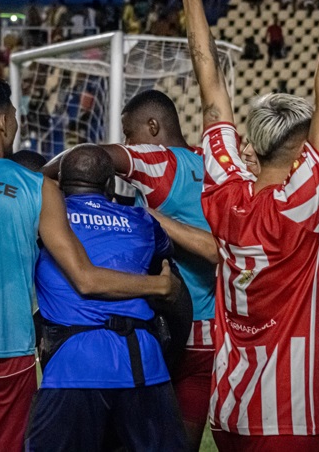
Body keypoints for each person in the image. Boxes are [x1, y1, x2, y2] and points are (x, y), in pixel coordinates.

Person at [0, 77, 178, 452]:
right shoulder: (37, 188)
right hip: (5, 353)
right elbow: (84, 276)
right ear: (2, 123)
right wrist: (158, 286)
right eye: (12, 114)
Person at [173, 0, 319, 449]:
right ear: (302, 159)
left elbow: (210, 88)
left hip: (230, 407)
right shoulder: (301, 202)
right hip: (286, 412)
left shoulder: (226, 192)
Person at [43, 89, 217, 452]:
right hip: (213, 331)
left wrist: (35, 178)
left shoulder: (158, 160)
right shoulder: (213, 162)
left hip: (166, 330)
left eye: (129, 133)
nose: (127, 143)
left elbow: (91, 159)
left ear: (153, 126)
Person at [25, 144, 187, 451]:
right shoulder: (141, 220)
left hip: (73, 366)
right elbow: (165, 261)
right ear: (111, 183)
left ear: (59, 180)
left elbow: (21, 179)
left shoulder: (42, 219)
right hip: (143, 363)